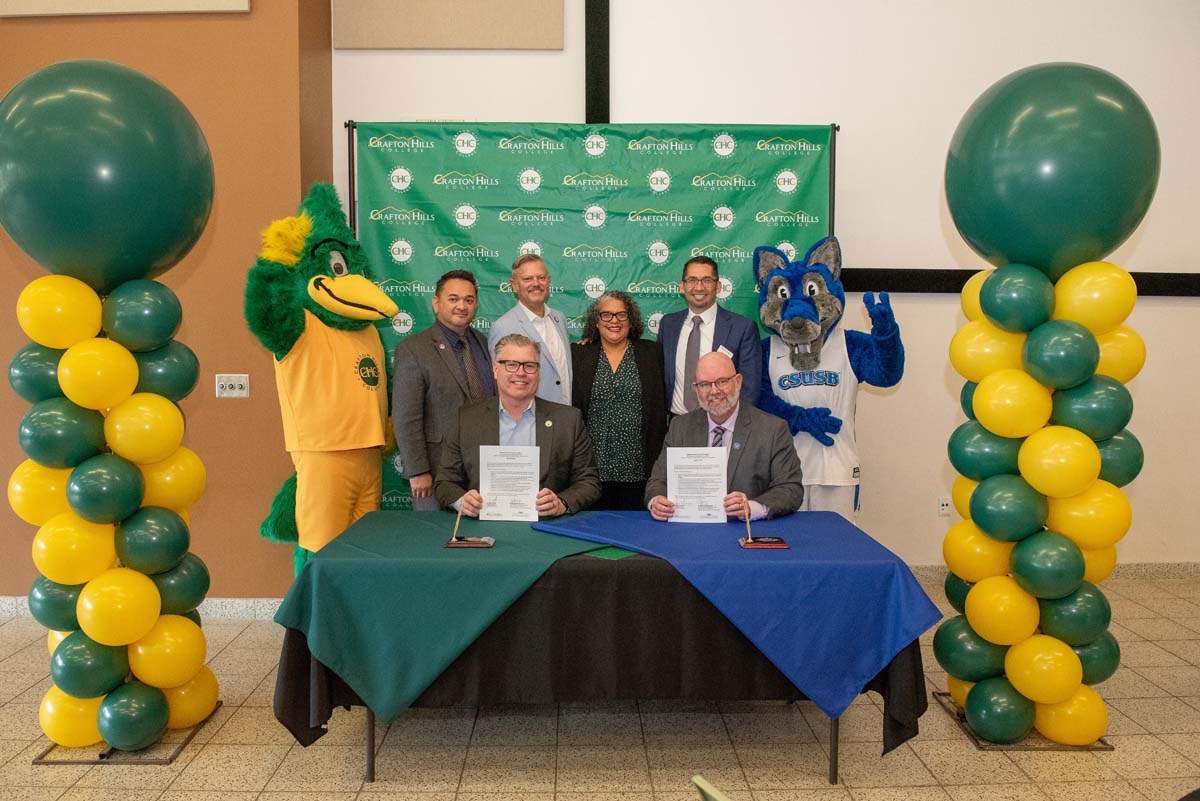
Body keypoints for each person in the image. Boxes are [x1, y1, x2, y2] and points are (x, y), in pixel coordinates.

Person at [435, 333, 601, 517]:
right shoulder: (466, 420)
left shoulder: (568, 420)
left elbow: (589, 481)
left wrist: (561, 503)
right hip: (482, 527)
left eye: (529, 365)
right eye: (511, 364)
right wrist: (462, 501)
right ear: (496, 369)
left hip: (546, 529)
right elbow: (445, 482)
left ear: (538, 372)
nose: (520, 373)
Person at [646, 352, 803, 521]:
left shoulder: (773, 429)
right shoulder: (680, 427)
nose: (714, 391)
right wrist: (656, 501)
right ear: (696, 389)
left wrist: (753, 508)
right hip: (691, 532)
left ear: (738, 382)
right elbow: (657, 481)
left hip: (746, 532)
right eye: (705, 384)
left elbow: (791, 488)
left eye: (722, 381)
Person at [392, 269, 496, 511]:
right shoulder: (413, 349)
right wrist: (418, 471)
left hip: (482, 468)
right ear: (436, 303)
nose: (462, 305)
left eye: (469, 300)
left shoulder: (483, 342)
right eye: (453, 299)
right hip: (435, 472)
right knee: (433, 540)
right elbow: (406, 417)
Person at [570, 291, 668, 510]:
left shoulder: (652, 353)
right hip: (591, 471)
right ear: (596, 322)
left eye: (621, 315)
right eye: (606, 315)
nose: (614, 321)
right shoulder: (579, 355)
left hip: (640, 469)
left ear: (630, 320)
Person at [658, 255, 762, 416]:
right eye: (692, 280)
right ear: (682, 286)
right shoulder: (668, 325)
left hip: (721, 423)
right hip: (676, 424)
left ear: (718, 286)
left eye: (707, 280)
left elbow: (750, 387)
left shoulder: (742, 328)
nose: (699, 287)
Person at [488, 254, 572, 404]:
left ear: (548, 281)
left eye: (541, 278)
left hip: (565, 416)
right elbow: (500, 384)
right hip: (529, 419)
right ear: (514, 285)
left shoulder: (559, 318)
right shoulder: (503, 327)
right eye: (527, 279)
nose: (536, 283)